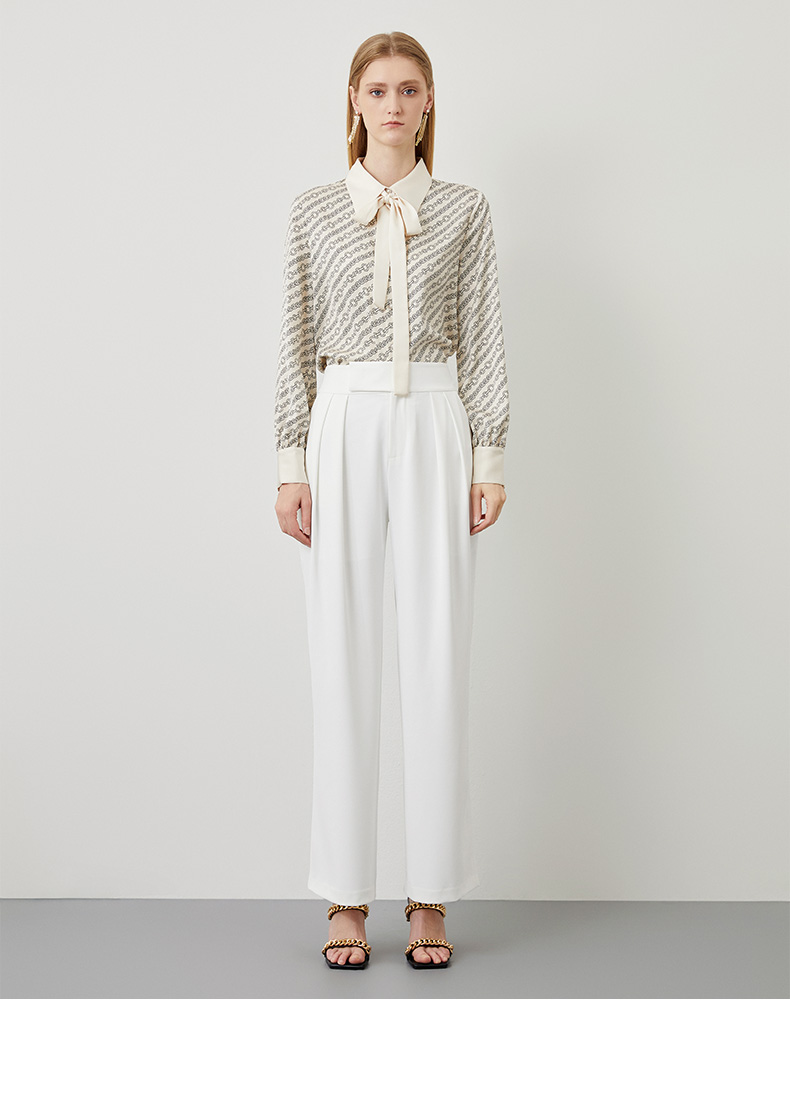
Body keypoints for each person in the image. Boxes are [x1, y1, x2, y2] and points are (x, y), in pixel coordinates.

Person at [273, 30, 510, 969]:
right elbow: (293, 337)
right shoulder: (313, 210)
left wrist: (489, 456)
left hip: (437, 416)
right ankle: (345, 891)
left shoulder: (465, 209)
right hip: (341, 419)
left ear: (429, 102)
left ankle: (430, 892)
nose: (395, 105)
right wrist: (289, 462)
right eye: (378, 90)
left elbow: (484, 333)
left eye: (410, 89)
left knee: (437, 650)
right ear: (354, 101)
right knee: (340, 648)